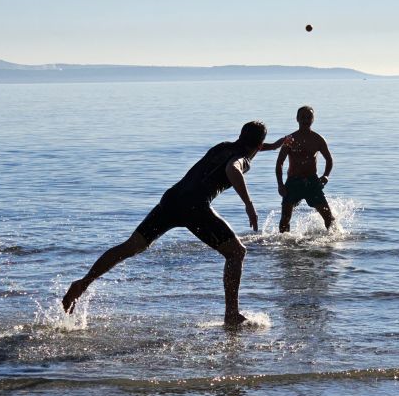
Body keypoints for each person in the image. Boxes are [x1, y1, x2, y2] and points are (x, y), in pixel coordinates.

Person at [62, 121, 285, 327]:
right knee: (236, 252)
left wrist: (275, 146)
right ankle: (231, 314)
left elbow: (246, 150)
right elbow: (232, 169)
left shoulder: (223, 146)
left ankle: (83, 283)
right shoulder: (243, 159)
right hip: (195, 207)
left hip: (172, 199)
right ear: (257, 145)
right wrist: (249, 204)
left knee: (132, 245)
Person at [275, 105, 335, 232]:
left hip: (312, 182)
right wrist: (280, 184)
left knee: (328, 218)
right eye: (303, 117)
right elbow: (279, 163)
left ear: (313, 119)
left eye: (309, 117)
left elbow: (329, 160)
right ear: (297, 119)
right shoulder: (290, 139)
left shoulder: (318, 139)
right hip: (293, 182)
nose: (306, 120)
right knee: (285, 220)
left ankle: (334, 241)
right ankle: (282, 243)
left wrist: (326, 175)